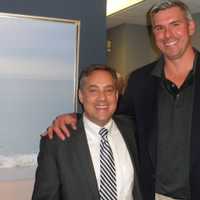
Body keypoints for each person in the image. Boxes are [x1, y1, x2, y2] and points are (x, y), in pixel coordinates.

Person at [45, 0, 200, 199]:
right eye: (159, 28)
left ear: (191, 27)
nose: (167, 35)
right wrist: (76, 118)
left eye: (175, 25)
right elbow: (116, 120)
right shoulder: (140, 80)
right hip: (153, 194)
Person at [32, 65, 142, 200]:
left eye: (108, 90)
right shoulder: (57, 143)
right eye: (93, 91)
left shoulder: (133, 130)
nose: (102, 98)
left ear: (116, 95)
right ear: (81, 96)